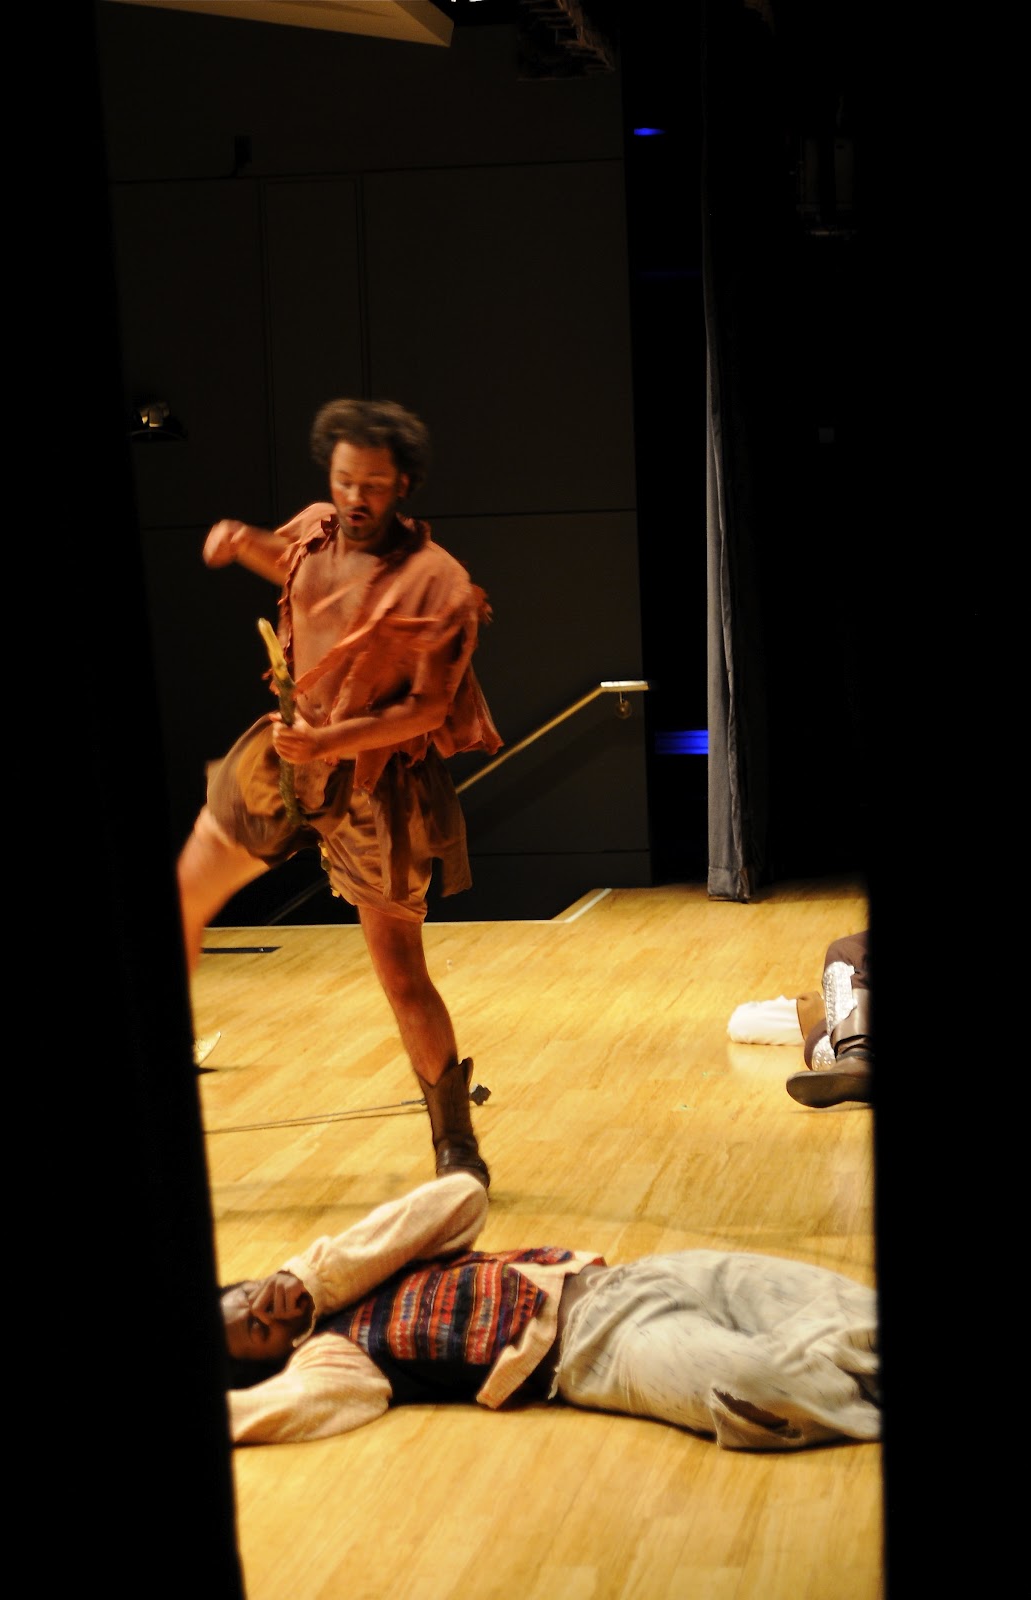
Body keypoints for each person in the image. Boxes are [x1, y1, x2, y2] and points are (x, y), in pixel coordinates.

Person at [177, 399, 503, 1185]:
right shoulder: (317, 529)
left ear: (403, 486)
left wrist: (330, 743)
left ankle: (455, 1146)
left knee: (400, 972)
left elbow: (426, 708)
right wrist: (239, 540)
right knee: (184, 895)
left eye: (374, 485)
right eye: (344, 479)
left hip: (378, 784)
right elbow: (297, 570)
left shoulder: (437, 584)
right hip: (288, 756)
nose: (355, 497)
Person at [221, 1172, 880, 1451]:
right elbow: (283, 1408)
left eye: (246, 1295)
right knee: (755, 1386)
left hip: (637, 1276)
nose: (263, 1308)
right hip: (604, 1350)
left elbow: (462, 1195)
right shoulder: (334, 1360)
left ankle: (846, 1355)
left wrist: (314, 1275)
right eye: (255, 1328)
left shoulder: (351, 1264)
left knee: (852, 1307)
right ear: (271, 1359)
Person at [725, 930, 872, 1109]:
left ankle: (855, 1058)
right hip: (850, 1005)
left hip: (847, 1013)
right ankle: (854, 1057)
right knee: (744, 1022)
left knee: (844, 950)